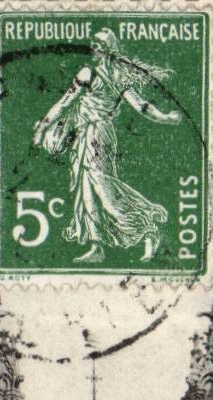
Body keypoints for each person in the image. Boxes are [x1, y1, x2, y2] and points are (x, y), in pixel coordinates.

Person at [31, 27, 181, 265]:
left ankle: (145, 226)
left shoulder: (113, 76)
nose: (94, 47)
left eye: (99, 44)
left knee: (101, 186)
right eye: (93, 43)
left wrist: (165, 117)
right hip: (84, 134)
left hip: (98, 134)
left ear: (109, 49)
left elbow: (141, 106)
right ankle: (97, 245)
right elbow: (65, 102)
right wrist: (43, 127)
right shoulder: (91, 73)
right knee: (86, 189)